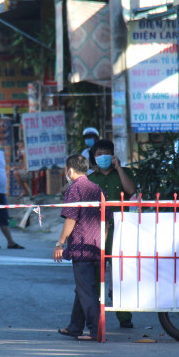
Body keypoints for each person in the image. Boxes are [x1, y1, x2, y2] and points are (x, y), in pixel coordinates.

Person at [54, 154, 105, 340]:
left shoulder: (74, 189)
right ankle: (75, 327)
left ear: (70, 170)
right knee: (83, 288)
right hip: (97, 246)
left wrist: (60, 243)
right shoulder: (96, 188)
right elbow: (106, 219)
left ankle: (95, 331)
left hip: (81, 246)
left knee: (86, 290)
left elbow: (71, 218)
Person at [88, 138, 138, 329]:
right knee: (97, 274)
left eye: (105, 153)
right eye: (98, 154)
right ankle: (96, 316)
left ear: (113, 155)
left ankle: (124, 316)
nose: (102, 157)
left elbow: (131, 191)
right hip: (98, 230)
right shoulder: (91, 179)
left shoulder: (123, 173)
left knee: (120, 273)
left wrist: (119, 169)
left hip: (120, 230)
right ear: (94, 157)